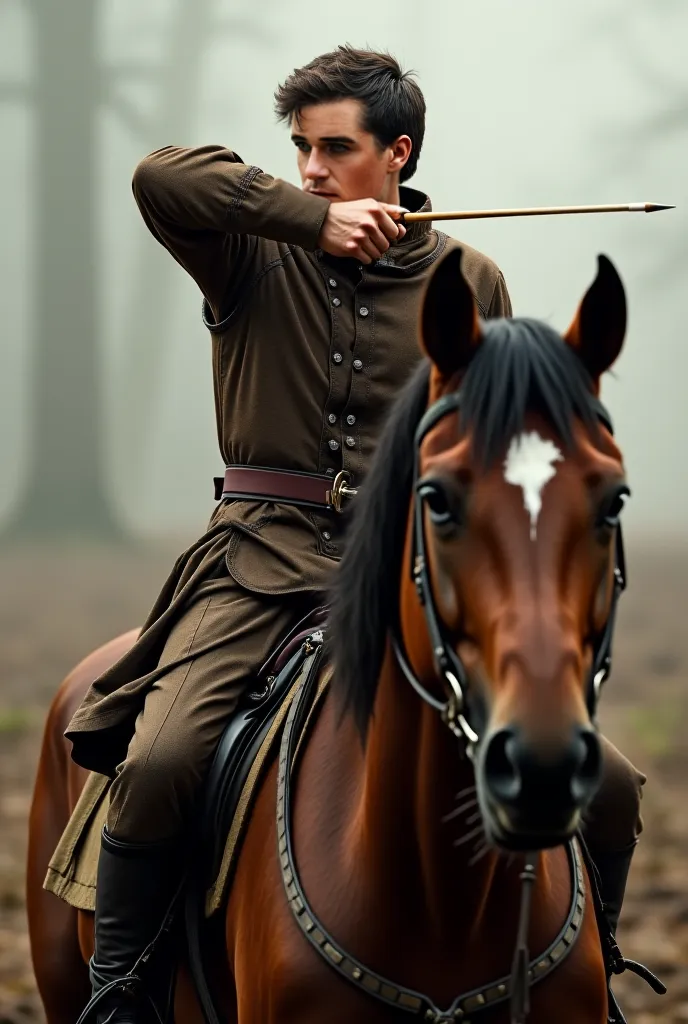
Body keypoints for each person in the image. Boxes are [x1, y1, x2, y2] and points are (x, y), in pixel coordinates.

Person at [63, 45, 644, 1023]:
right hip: (256, 568)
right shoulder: (249, 248)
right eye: (301, 149)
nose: (312, 166)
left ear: (398, 153)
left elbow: (492, 454)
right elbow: (158, 175)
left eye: (336, 149)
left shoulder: (472, 277)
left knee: (614, 788)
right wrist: (307, 217)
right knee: (162, 763)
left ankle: (596, 978)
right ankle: (119, 990)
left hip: (406, 574)